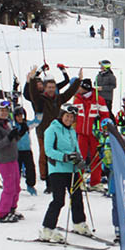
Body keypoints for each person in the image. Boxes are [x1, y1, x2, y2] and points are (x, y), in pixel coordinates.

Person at [39, 103, 91, 241]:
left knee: (77, 197)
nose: (69, 119)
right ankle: (47, 229)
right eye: (67, 116)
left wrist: (80, 161)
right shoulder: (52, 130)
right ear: (61, 115)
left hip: (71, 169)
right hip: (57, 170)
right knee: (58, 200)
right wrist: (65, 156)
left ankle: (79, 223)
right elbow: (48, 151)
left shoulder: (72, 131)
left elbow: (76, 149)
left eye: (72, 117)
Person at [26, 66, 82, 193]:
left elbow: (69, 92)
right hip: (43, 131)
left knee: (56, 156)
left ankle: (55, 181)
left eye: (53, 87)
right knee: (45, 155)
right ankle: (47, 181)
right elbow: (33, 93)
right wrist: (33, 78)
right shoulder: (39, 100)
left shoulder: (59, 98)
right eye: (49, 87)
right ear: (45, 88)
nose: (51, 90)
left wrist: (78, 80)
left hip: (58, 133)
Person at [72, 78, 111, 192]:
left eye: (80, 87)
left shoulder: (99, 99)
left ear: (85, 88)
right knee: (81, 157)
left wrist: (102, 129)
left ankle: (95, 182)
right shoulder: (77, 99)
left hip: (95, 134)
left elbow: (105, 116)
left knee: (96, 157)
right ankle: (80, 181)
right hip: (81, 133)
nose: (78, 89)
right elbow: (74, 115)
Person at [12, 107, 38, 195]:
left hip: (27, 150)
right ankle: (14, 186)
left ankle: (30, 185)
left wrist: (39, 111)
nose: (20, 118)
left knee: (30, 168)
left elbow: (36, 122)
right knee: (16, 170)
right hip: (16, 151)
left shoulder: (26, 124)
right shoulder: (12, 125)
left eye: (21, 116)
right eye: (17, 116)